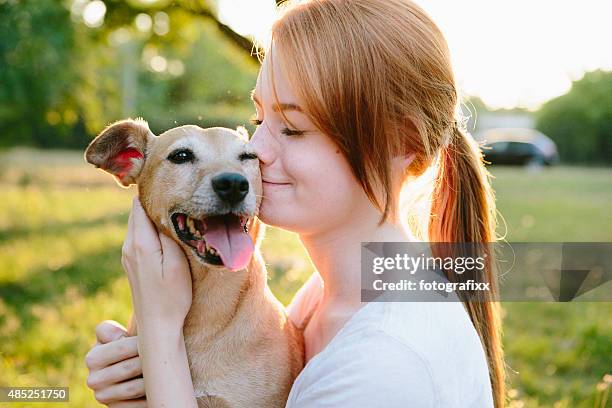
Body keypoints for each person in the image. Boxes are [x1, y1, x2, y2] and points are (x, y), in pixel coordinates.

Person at [85, 0, 506, 406]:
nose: (255, 151)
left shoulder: (386, 366)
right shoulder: (326, 294)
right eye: (259, 120)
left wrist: (158, 332)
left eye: (293, 128)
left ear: (402, 142)